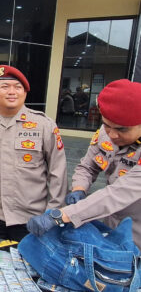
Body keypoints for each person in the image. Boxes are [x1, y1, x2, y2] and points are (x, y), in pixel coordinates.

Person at [27, 79, 141, 249]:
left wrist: (60, 215)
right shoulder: (106, 132)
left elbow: (117, 194)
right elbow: (88, 166)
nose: (113, 135)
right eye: (107, 125)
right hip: (111, 222)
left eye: (122, 129)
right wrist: (79, 188)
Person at [0, 65, 68, 242]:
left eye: (18, 87)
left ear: (25, 93)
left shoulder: (44, 125)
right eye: (5, 87)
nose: (12, 92)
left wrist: (54, 211)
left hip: (32, 216)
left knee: (28, 266)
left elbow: (58, 170)